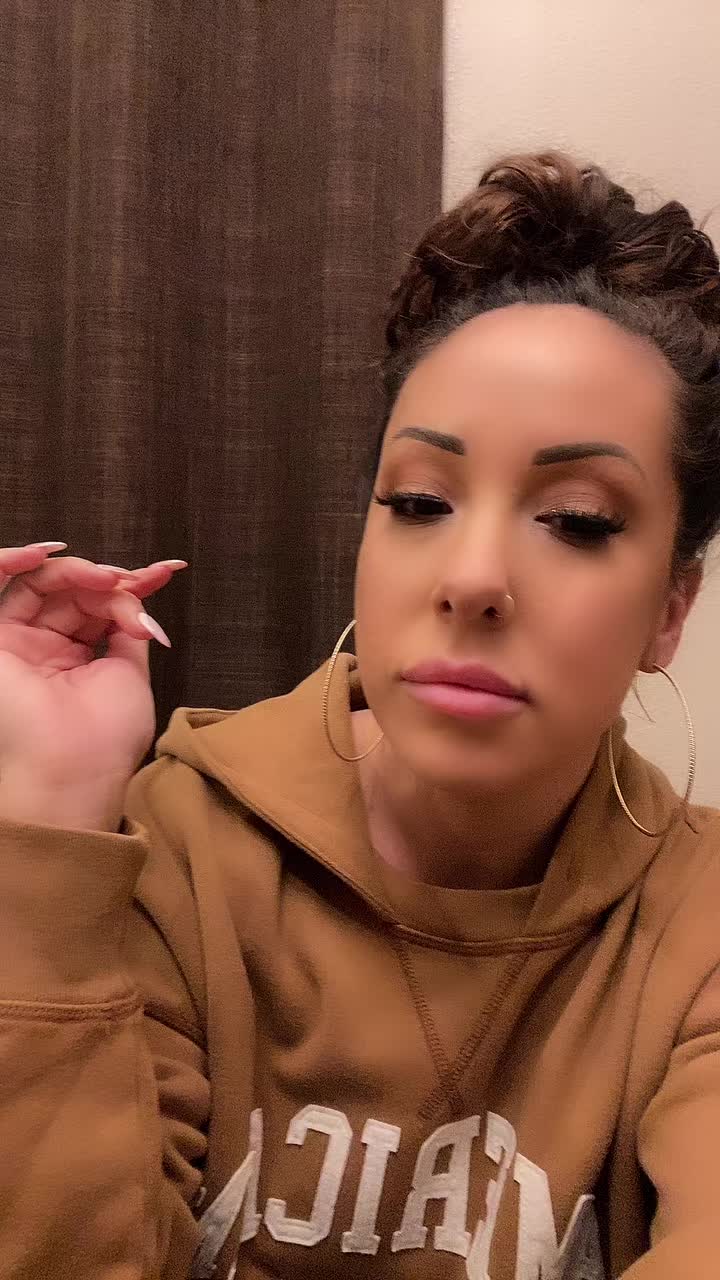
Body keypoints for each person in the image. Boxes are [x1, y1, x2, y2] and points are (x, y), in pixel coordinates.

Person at [1, 151, 719, 1280]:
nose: (472, 577)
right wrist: (43, 828)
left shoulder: (698, 925)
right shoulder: (176, 850)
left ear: (671, 609)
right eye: (422, 501)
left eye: (578, 519)